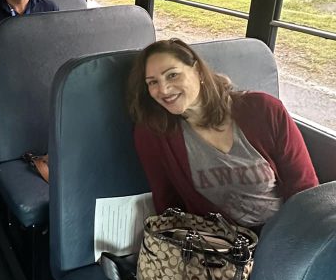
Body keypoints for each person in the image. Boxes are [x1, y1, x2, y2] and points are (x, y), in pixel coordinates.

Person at [128, 38, 318, 228]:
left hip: (286, 232)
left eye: (172, 75)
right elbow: (167, 204)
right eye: (152, 82)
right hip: (220, 245)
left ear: (198, 71)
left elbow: (303, 187)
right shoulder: (153, 134)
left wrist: (295, 241)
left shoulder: (265, 110)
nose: (163, 89)